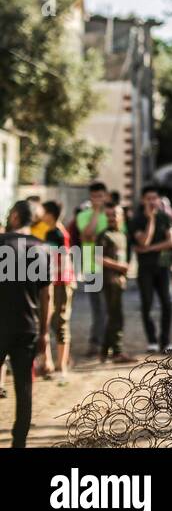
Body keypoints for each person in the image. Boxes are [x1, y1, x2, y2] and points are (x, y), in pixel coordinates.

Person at [0, 200, 53, 447]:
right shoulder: (42, 248)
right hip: (27, 327)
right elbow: (47, 296)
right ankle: (18, 441)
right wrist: (44, 333)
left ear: (14, 217)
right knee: (24, 387)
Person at [130, 185, 172, 352]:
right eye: (148, 198)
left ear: (158, 199)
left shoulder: (165, 218)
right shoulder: (136, 220)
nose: (152, 202)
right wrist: (151, 220)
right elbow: (143, 241)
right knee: (147, 304)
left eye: (154, 198)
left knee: (167, 303)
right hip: (145, 268)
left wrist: (150, 249)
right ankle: (152, 340)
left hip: (163, 267)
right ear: (143, 200)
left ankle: (166, 341)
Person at [70, 181, 111, 358]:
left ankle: (108, 343)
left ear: (106, 196)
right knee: (98, 308)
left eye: (100, 196)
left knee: (111, 308)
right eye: (94, 197)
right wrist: (95, 213)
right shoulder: (84, 215)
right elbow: (87, 234)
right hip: (91, 267)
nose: (97, 200)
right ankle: (95, 343)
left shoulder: (112, 214)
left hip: (112, 267)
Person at [36, 201, 75, 380]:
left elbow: (61, 258)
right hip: (61, 281)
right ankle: (57, 363)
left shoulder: (55, 233)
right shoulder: (58, 230)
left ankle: (61, 367)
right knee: (55, 322)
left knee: (59, 322)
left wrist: (51, 279)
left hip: (61, 282)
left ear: (50, 214)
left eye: (43, 212)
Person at [98, 206, 136, 364]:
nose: (112, 218)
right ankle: (116, 352)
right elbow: (98, 258)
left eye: (115, 214)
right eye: (109, 215)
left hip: (120, 281)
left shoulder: (123, 235)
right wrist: (119, 267)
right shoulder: (104, 235)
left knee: (115, 316)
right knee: (115, 317)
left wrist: (124, 273)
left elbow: (125, 259)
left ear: (122, 216)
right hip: (109, 281)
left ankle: (106, 352)